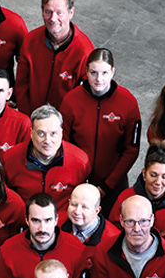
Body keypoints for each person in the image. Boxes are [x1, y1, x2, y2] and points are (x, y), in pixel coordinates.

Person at [59, 47, 142, 191]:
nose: (99, 79)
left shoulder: (128, 102)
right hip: (77, 181)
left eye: (104, 73)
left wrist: (107, 186)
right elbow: (63, 143)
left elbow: (131, 149)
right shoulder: (71, 100)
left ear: (113, 72)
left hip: (113, 183)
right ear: (86, 71)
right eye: (93, 73)